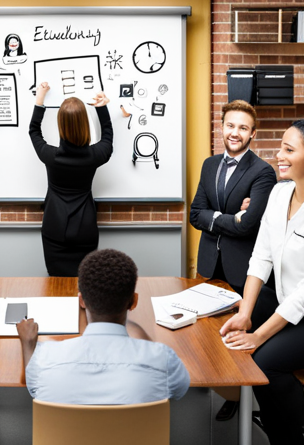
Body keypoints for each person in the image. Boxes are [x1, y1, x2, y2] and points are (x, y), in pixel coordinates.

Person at [220, 118, 304, 445]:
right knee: (231, 309)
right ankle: (285, 410)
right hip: (287, 302)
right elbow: (261, 257)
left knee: (265, 361)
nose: (278, 154)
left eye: (288, 149)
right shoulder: (280, 194)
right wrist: (245, 314)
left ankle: (286, 435)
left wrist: (258, 335)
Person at [189, 99, 277, 420]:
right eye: (230, 125)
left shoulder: (263, 171)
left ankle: (242, 395)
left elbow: (249, 224)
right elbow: (194, 214)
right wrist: (230, 217)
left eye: (242, 127)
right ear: (221, 127)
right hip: (210, 264)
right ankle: (227, 390)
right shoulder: (209, 165)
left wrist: (220, 218)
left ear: (253, 133)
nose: (235, 132)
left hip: (243, 269)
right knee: (209, 334)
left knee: (238, 336)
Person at [17, 248, 190, 403]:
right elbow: (179, 390)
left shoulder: (45, 359)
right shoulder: (163, 359)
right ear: (133, 301)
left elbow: (32, 385)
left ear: (81, 301)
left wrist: (27, 343)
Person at [29, 81, 113, 276]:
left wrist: (39, 99)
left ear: (61, 125)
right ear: (85, 124)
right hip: (85, 229)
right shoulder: (96, 155)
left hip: (54, 228)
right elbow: (108, 136)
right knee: (86, 282)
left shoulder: (50, 155)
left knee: (56, 284)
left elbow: (34, 130)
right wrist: (102, 108)